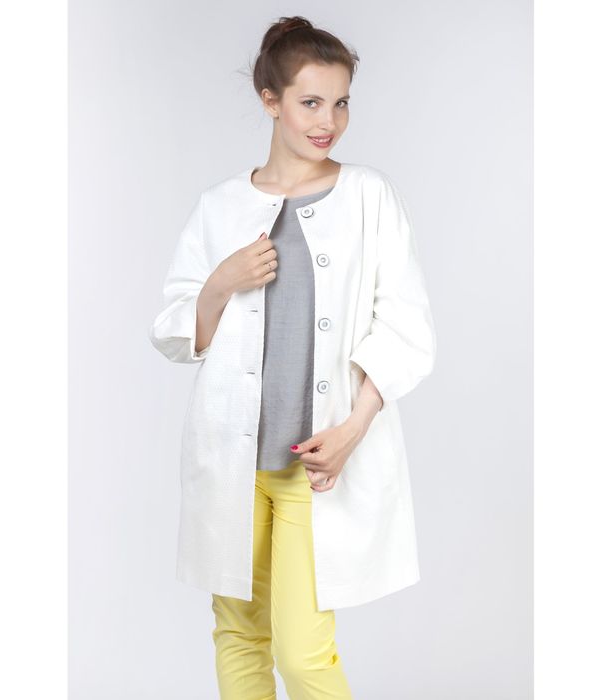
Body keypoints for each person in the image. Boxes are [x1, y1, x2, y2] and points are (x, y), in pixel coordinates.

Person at [149, 15, 437, 700]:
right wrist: (221, 282)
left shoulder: (368, 195)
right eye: (310, 102)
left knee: (304, 655)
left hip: (316, 462)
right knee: (239, 636)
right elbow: (173, 332)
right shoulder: (220, 206)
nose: (328, 121)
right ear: (270, 99)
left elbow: (405, 325)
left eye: (340, 103)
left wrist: (353, 429)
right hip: (232, 461)